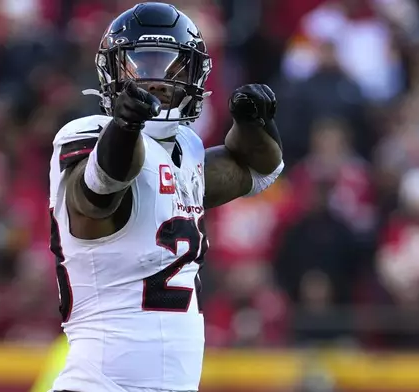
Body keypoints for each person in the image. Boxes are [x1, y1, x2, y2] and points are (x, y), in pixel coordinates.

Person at [48, 3, 283, 392]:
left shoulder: (187, 151)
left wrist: (256, 123)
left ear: (195, 73)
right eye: (141, 64)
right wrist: (124, 128)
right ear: (114, 71)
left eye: (169, 65)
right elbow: (96, 194)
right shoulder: (89, 133)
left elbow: (259, 171)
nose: (154, 80)